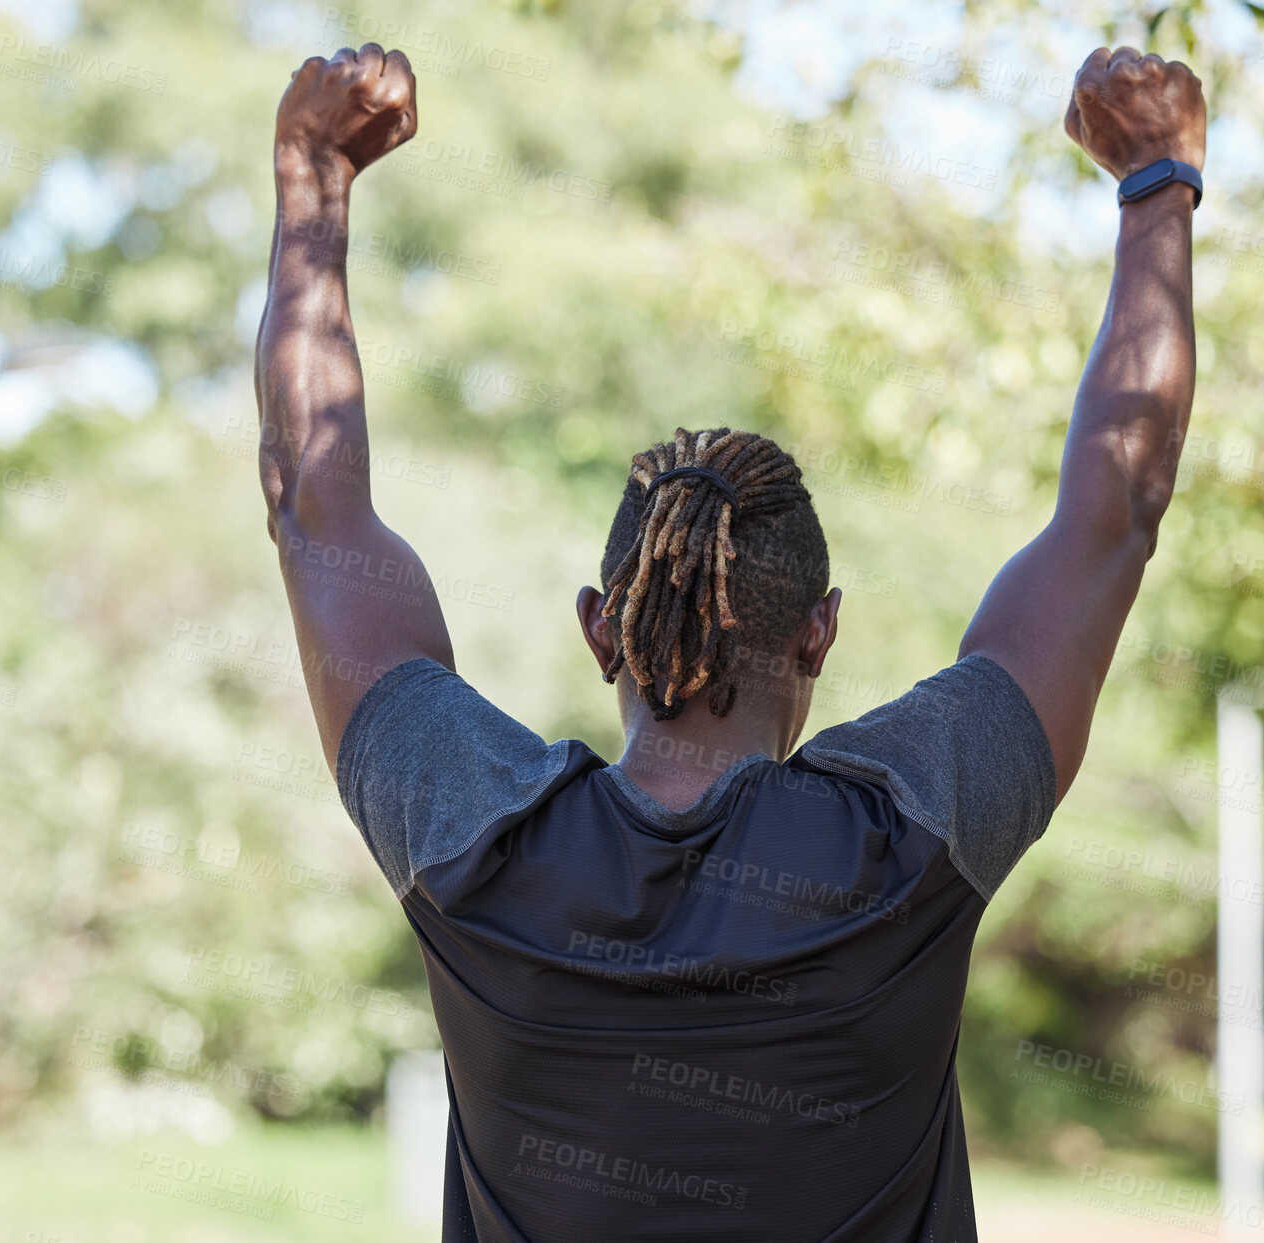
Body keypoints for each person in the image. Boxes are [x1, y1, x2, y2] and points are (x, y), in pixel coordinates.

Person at [254, 39, 1204, 1243]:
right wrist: (1155, 186)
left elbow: (309, 505)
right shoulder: (909, 837)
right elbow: (1114, 514)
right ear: (819, 633)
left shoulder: (474, 834)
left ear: (602, 630)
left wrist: (312, 182)